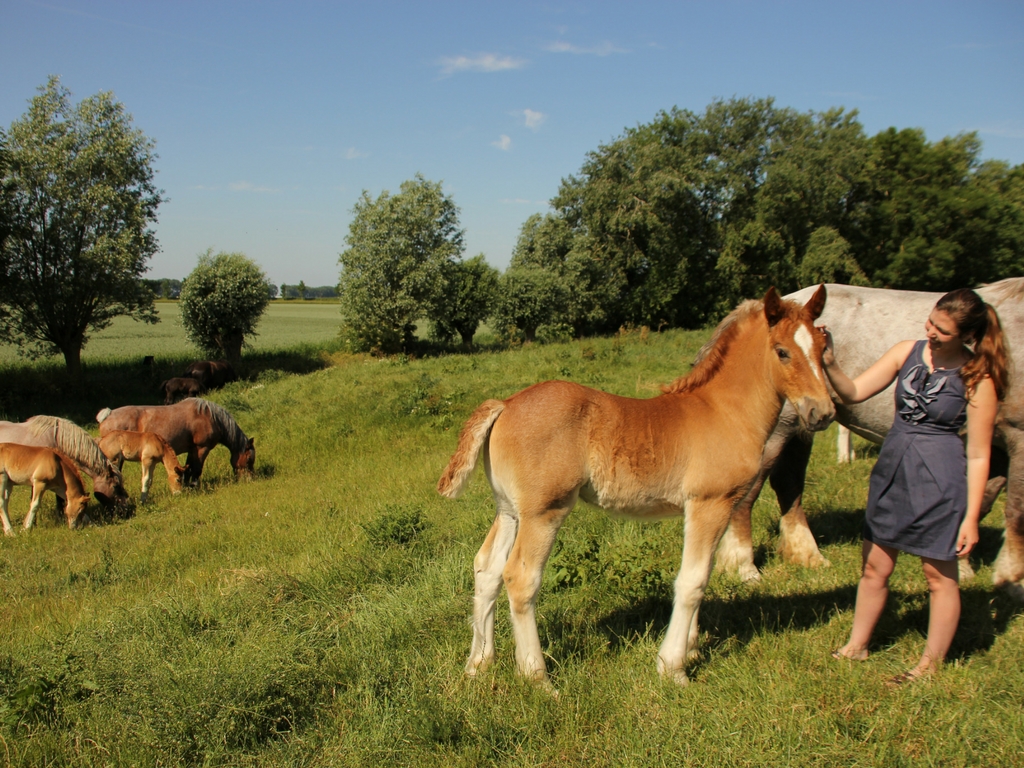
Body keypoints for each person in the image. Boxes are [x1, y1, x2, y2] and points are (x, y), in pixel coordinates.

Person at [822, 288, 1008, 686]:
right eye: (930, 322)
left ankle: (929, 666)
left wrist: (971, 518)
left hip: (941, 478)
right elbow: (853, 392)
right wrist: (830, 364)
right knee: (874, 566)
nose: (931, 331)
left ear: (966, 336)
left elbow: (978, 455)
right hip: (893, 469)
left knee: (938, 575)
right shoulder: (906, 351)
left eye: (942, 329)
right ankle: (857, 645)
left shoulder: (978, 377)